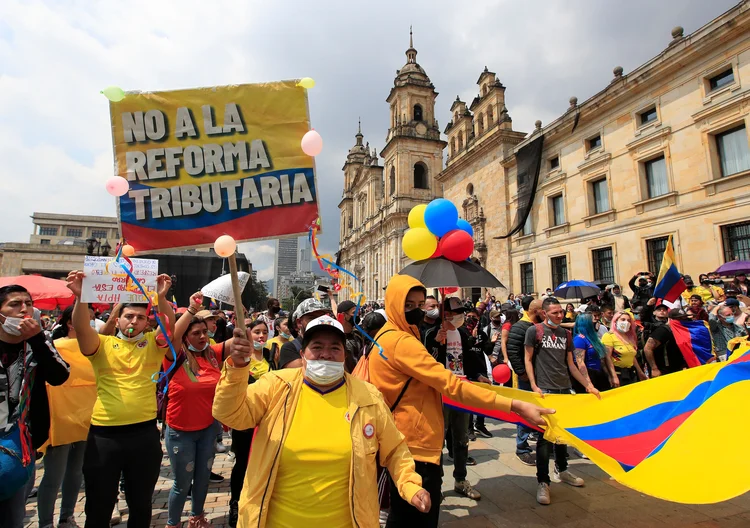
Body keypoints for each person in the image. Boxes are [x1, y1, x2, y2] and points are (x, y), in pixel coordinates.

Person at [212, 314, 431, 527]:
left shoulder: (367, 396)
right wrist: (237, 368)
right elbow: (231, 414)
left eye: (334, 348)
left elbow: (395, 450)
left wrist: (410, 485)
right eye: (317, 347)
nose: (325, 354)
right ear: (303, 353)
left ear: (344, 355)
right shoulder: (276, 386)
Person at [369, 276, 552, 527]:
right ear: (393, 304)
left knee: (404, 516)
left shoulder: (390, 334)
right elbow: (451, 384)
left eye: (421, 305)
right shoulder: (401, 341)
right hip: (414, 443)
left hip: (402, 437)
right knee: (415, 520)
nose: (417, 311)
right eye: (408, 305)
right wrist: (514, 405)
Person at [65, 270, 175, 528]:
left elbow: (169, 326)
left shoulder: (152, 343)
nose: (134, 321)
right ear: (118, 319)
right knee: (99, 504)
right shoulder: (100, 344)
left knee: (141, 504)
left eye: (140, 317)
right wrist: (82, 297)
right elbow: (81, 327)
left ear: (147, 323)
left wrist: (160, 298)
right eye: (129, 316)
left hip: (145, 435)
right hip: (104, 437)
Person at [0, 286, 70, 527]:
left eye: (28, 304)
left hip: (21, 444)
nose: (23, 310)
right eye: (14, 304)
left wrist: (37, 339)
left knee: (12, 514)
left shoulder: (38, 344)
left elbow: (60, 375)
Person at [162, 292, 231, 528]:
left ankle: (197, 517)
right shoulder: (175, 355)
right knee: (182, 483)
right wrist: (191, 309)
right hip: (181, 430)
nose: (203, 337)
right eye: (196, 333)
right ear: (185, 337)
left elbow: (243, 337)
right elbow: (173, 334)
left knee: (202, 479)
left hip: (208, 430)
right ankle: (173, 523)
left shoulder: (213, 354)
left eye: (205, 332)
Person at [524, 297, 599, 505]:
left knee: (562, 434)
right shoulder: (535, 331)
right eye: (555, 312)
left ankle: (562, 469)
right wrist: (533, 385)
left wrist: (587, 385)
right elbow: (527, 359)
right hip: (545, 390)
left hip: (564, 388)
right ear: (545, 313)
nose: (560, 315)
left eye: (561, 312)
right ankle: (542, 481)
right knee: (544, 439)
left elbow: (571, 364)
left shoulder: (566, 334)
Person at [37, 306, 97, 528]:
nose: (91, 323)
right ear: (71, 323)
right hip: (60, 418)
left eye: (92, 319)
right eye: (87, 319)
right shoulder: (55, 348)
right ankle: (45, 523)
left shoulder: (95, 346)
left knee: (75, 473)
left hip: (86, 417)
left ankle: (67, 517)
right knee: (53, 476)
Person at [423, 298, 482, 499]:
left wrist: (479, 374)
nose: (459, 315)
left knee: (461, 438)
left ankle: (460, 478)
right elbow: (424, 362)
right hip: (440, 393)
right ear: (445, 313)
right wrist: (436, 344)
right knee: (438, 440)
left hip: (460, 391)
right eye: (455, 312)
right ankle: (436, 484)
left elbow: (469, 357)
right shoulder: (432, 333)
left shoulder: (462, 333)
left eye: (460, 312)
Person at [227, 319, 270, 527]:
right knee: (242, 463)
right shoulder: (240, 359)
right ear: (248, 334)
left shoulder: (272, 355)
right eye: (257, 332)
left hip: (267, 421)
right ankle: (235, 503)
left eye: (264, 332)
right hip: (245, 421)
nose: (261, 336)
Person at [505, 296, 543, 466]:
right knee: (525, 411)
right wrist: (522, 374)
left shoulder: (540, 327)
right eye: (544, 310)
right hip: (527, 379)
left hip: (542, 378)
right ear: (536, 311)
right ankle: (522, 447)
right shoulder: (520, 327)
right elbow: (513, 351)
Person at [277, 298, 330, 369]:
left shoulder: (331, 344)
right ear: (299, 322)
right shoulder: (290, 348)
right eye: (312, 318)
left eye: (321, 317)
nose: (318, 321)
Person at [601, 311, 647, 387]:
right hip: (618, 374)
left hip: (631, 373)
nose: (626, 322)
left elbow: (632, 356)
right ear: (615, 321)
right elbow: (607, 358)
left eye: (628, 320)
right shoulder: (609, 336)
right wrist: (613, 376)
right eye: (623, 319)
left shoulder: (630, 337)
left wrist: (640, 372)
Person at [643, 306, 688, 377]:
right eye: (679, 319)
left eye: (683, 319)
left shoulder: (678, 331)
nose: (682, 321)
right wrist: (654, 369)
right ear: (670, 319)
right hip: (664, 370)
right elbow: (647, 348)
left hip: (677, 369)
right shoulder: (663, 331)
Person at [572, 314, 610, 392]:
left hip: (599, 374)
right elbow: (580, 362)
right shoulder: (579, 339)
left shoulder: (593, 338)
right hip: (590, 375)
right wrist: (588, 383)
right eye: (594, 321)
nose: (597, 323)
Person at [335, 299, 365, 373]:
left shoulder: (359, 334)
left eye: (358, 313)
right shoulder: (337, 339)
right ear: (344, 315)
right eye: (354, 313)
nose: (357, 316)